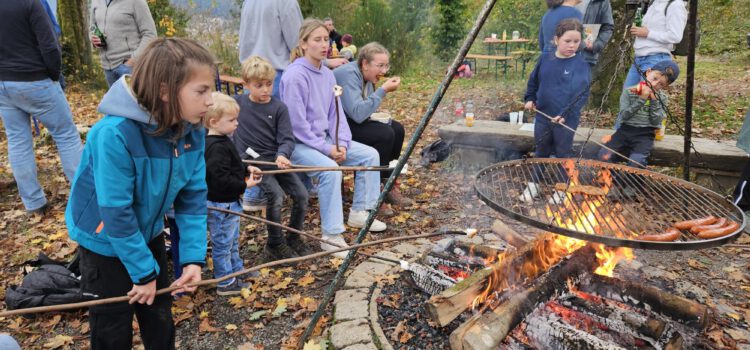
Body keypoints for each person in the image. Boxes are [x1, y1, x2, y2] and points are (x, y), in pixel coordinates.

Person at [65, 38, 214, 349]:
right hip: (104, 243)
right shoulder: (113, 135)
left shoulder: (192, 130)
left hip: (148, 231)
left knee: (159, 317)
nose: (210, 100)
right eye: (202, 91)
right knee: (111, 326)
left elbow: (192, 199)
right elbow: (116, 212)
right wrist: (143, 272)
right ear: (164, 91)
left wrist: (191, 259)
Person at [281, 19, 388, 258]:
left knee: (369, 154)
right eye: (317, 40)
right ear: (303, 43)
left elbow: (336, 114)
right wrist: (328, 149)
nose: (324, 45)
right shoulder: (295, 76)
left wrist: (341, 143)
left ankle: (361, 212)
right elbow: (297, 126)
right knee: (330, 170)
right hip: (298, 145)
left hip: (325, 140)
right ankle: (331, 236)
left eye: (326, 39)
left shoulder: (327, 75)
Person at [0, 0, 83, 215]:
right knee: (66, 135)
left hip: (3, 84)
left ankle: (34, 203)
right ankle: (86, 193)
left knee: (18, 140)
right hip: (35, 80)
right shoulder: (30, 3)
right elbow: (50, 45)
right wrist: (54, 77)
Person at [234, 56, 310, 261]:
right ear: (246, 85)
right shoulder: (237, 104)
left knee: (302, 194)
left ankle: (294, 237)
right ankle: (275, 244)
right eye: (259, 85)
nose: (266, 90)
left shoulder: (279, 108)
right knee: (275, 195)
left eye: (269, 84)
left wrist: (283, 154)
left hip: (274, 161)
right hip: (253, 164)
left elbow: (287, 139)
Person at [333, 42, 412, 210]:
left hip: (352, 122)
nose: (384, 71)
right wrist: (382, 90)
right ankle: (373, 193)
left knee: (397, 129)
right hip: (337, 127)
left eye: (386, 65)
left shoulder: (367, 76)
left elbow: (363, 111)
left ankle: (386, 184)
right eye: (380, 66)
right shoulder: (349, 75)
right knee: (384, 134)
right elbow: (358, 113)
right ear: (364, 64)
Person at [522, 19, 591, 203]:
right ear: (556, 40)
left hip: (566, 119)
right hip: (543, 115)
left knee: (563, 153)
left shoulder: (580, 64)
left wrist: (565, 114)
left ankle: (562, 189)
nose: (572, 45)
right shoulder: (546, 58)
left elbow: (582, 94)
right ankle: (533, 186)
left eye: (576, 42)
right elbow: (533, 81)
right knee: (541, 151)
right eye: (567, 41)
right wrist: (530, 99)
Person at [204, 92, 262, 295]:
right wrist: (245, 184)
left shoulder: (223, 139)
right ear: (213, 121)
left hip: (230, 202)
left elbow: (232, 166)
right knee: (222, 244)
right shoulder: (214, 148)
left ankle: (236, 270)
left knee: (232, 240)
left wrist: (246, 170)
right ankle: (225, 282)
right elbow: (220, 180)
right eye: (232, 120)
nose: (236, 124)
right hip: (221, 205)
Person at [599, 60, 678, 169]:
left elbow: (656, 122)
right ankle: (612, 181)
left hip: (645, 134)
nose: (654, 84)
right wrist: (641, 99)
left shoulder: (662, 98)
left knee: (636, 161)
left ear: (666, 86)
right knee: (604, 155)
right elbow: (624, 116)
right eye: (654, 78)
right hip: (625, 130)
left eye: (661, 84)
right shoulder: (629, 92)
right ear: (648, 72)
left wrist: (654, 101)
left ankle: (631, 185)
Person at [239, 0, 303, 98]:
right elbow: (299, 45)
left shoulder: (248, 2)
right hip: (274, 77)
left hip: (250, 74)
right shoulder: (285, 2)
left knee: (252, 112)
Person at [90, 0, 157, 86]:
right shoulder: (96, 1)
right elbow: (92, 27)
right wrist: (93, 38)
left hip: (131, 67)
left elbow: (150, 34)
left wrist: (133, 60)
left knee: (137, 99)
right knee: (117, 100)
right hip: (107, 68)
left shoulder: (136, 2)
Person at [621, 0, 687, 89]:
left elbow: (675, 36)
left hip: (656, 60)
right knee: (627, 97)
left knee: (644, 99)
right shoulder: (654, 3)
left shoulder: (676, 5)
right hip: (639, 59)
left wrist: (648, 33)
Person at [575, 0, 614, 71]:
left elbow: (607, 28)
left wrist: (595, 45)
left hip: (585, 58)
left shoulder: (602, 2)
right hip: (561, 55)